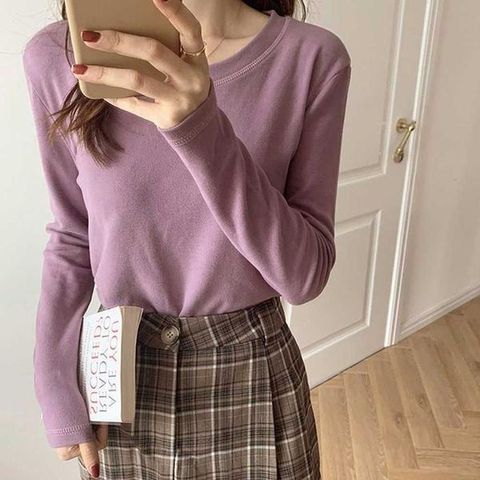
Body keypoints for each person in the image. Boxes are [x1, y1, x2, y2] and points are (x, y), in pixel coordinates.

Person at [22, 0, 351, 478]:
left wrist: (199, 127)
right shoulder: (59, 55)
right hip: (120, 373)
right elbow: (74, 233)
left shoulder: (311, 58)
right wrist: (54, 383)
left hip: (252, 373)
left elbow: (305, 277)